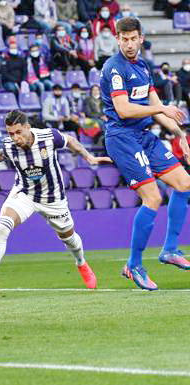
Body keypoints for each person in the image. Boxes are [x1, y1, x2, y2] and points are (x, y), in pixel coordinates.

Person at [0, 110, 105, 298]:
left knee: (69, 238)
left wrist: (88, 156)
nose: (15, 138)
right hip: (25, 194)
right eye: (11, 134)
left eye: (19, 132)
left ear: (28, 127)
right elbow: (0, 154)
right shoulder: (9, 145)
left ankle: (81, 263)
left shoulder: (48, 137)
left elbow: (69, 140)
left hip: (53, 198)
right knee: (2, 228)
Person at [100, 17, 190, 290]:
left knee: (184, 183)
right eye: (123, 39)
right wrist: (161, 110)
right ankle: (134, 265)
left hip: (143, 136)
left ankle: (170, 249)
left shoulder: (143, 66)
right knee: (152, 197)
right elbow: (125, 110)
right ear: (118, 39)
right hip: (122, 138)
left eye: (133, 39)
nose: (128, 44)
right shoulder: (114, 68)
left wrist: (180, 135)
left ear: (141, 39)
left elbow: (155, 103)